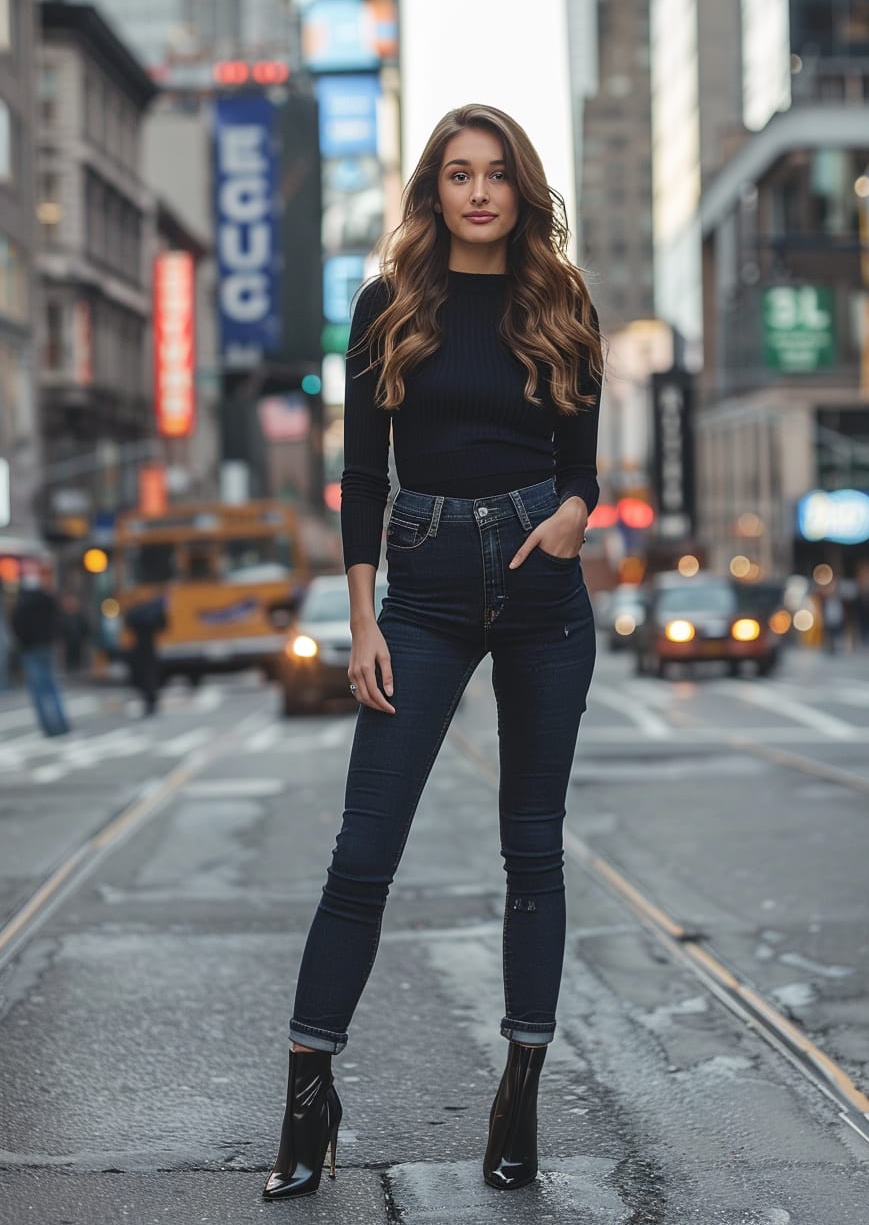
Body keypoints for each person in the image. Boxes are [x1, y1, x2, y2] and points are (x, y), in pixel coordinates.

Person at [263, 104, 602, 1200]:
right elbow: (362, 475)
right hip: (421, 588)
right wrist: (361, 618)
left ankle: (518, 1095)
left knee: (531, 852)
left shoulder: (561, 300)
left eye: (495, 173)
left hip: (539, 582)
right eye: (457, 173)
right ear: (432, 190)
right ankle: (307, 1096)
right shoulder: (387, 305)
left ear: (520, 188)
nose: (477, 192)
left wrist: (571, 516)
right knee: (362, 854)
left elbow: (581, 460)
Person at [10, 569, 70, 737]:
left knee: (38, 690)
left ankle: (48, 727)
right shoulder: (48, 600)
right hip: (47, 646)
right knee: (52, 686)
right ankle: (62, 723)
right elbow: (58, 621)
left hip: (30, 649)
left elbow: (16, 625)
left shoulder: (22, 604)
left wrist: (24, 642)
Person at [124, 593, 168, 715]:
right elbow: (163, 626)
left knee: (145, 677)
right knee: (149, 676)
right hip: (148, 649)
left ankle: (150, 701)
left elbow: (128, 624)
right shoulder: (152, 614)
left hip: (140, 649)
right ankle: (151, 700)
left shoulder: (136, 613)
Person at [59, 591, 91, 674]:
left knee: (77, 661)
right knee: (68, 661)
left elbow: (86, 629)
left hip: (78, 642)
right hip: (67, 643)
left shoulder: (80, 616)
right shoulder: (62, 617)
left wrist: (84, 639)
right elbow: (59, 630)